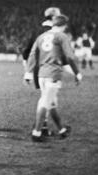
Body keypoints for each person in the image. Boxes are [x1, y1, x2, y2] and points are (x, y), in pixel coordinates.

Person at [24, 14, 82, 142]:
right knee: (46, 102)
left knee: (51, 103)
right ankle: (37, 132)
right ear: (64, 26)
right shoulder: (62, 36)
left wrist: (28, 73)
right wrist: (77, 73)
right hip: (53, 74)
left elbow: (33, 55)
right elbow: (70, 57)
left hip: (41, 75)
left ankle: (62, 130)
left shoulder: (41, 36)